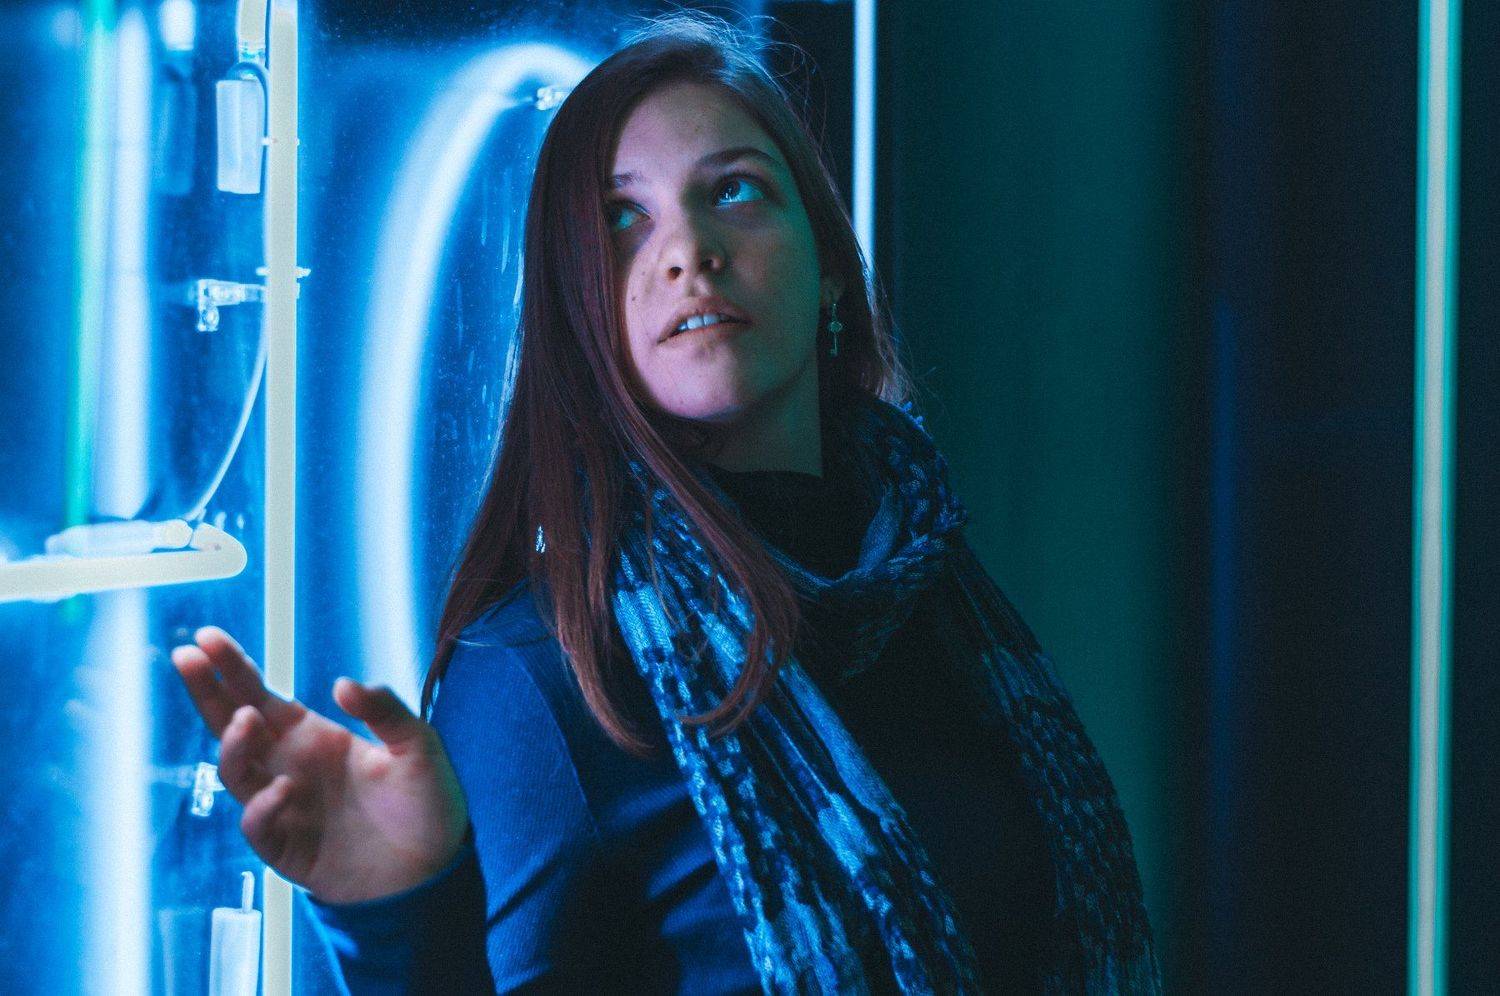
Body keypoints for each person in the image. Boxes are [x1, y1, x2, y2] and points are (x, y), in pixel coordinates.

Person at [171, 12, 1160, 994]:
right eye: (622, 216)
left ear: (828, 265)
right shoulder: (544, 671)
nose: (689, 249)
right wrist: (398, 924)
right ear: (581, 309)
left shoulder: (936, 596)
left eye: (733, 190)